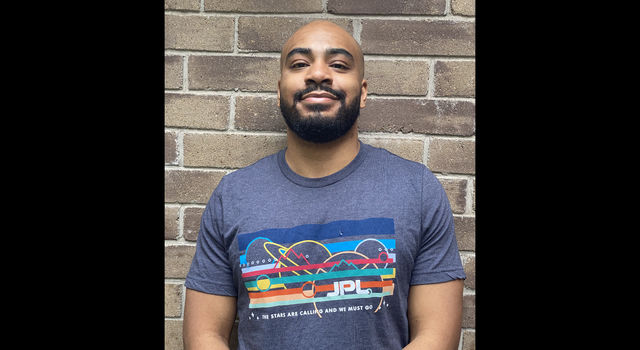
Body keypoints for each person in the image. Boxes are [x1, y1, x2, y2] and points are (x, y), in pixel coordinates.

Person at [183, 20, 466, 350]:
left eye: (338, 65)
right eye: (300, 64)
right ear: (279, 91)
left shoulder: (416, 190)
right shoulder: (232, 197)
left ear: (362, 93)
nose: (318, 74)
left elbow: (437, 335)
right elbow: (204, 337)